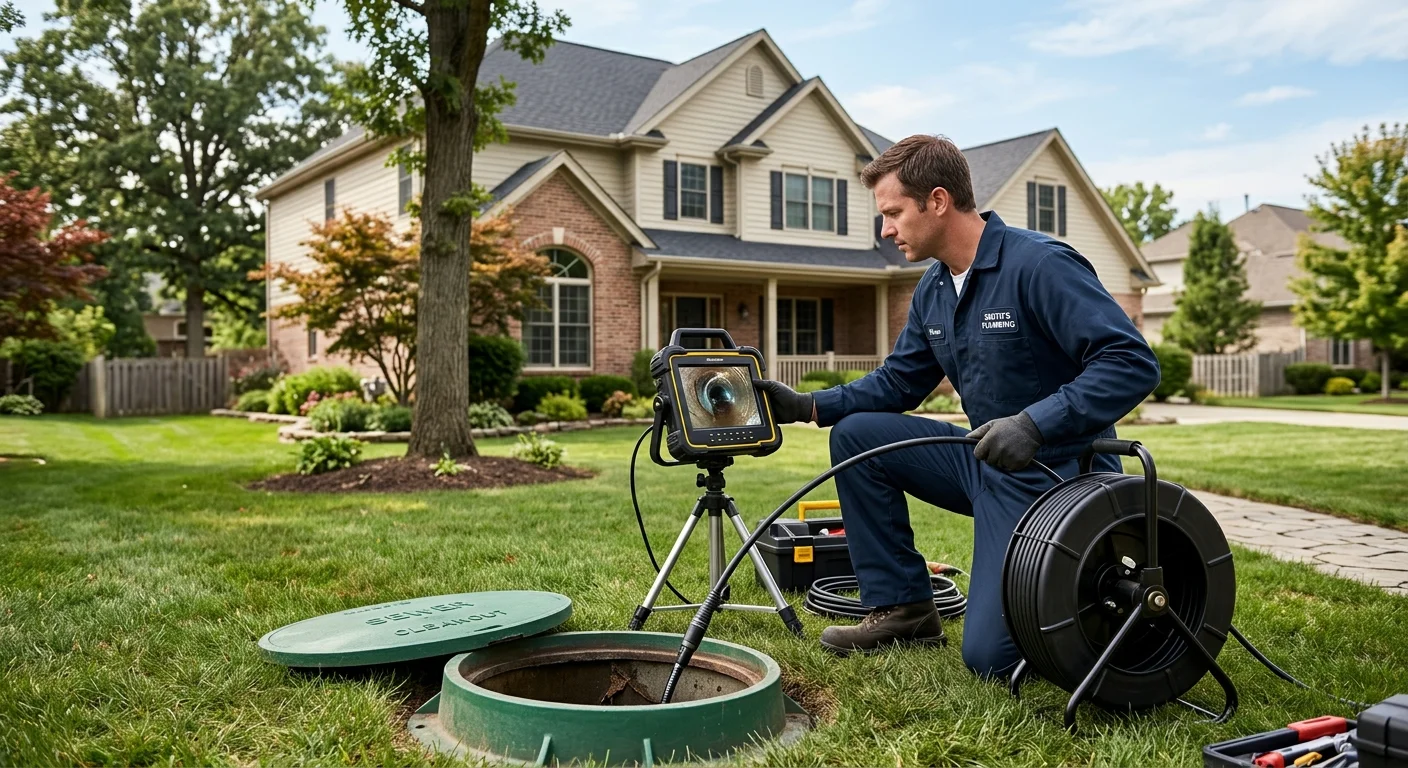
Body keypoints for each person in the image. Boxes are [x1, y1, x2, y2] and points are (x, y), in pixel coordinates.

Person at [756, 134, 1159, 678]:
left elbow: (1131, 361)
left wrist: (1035, 424)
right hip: (985, 462)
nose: (886, 229)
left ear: (938, 201)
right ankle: (904, 608)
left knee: (991, 659)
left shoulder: (1039, 265)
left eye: (894, 212)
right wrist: (807, 404)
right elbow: (899, 383)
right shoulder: (935, 288)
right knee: (857, 437)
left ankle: (1069, 604)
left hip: (1055, 477)